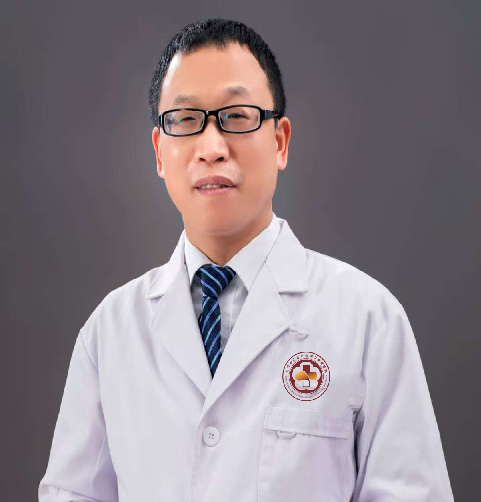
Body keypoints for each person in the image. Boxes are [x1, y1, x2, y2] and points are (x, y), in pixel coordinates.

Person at [38, 17, 455, 502]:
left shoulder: (368, 320)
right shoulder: (109, 333)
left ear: (279, 141)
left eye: (236, 117)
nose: (212, 148)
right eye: (185, 119)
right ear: (159, 151)